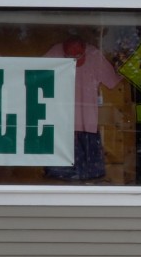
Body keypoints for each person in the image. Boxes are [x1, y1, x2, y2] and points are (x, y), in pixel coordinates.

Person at [43, 35, 123, 182]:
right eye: (69, 57)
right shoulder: (54, 53)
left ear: (85, 51)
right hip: (61, 123)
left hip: (86, 124)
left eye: (78, 56)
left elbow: (113, 81)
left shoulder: (94, 56)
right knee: (58, 179)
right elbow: (37, 76)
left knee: (89, 176)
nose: (74, 60)